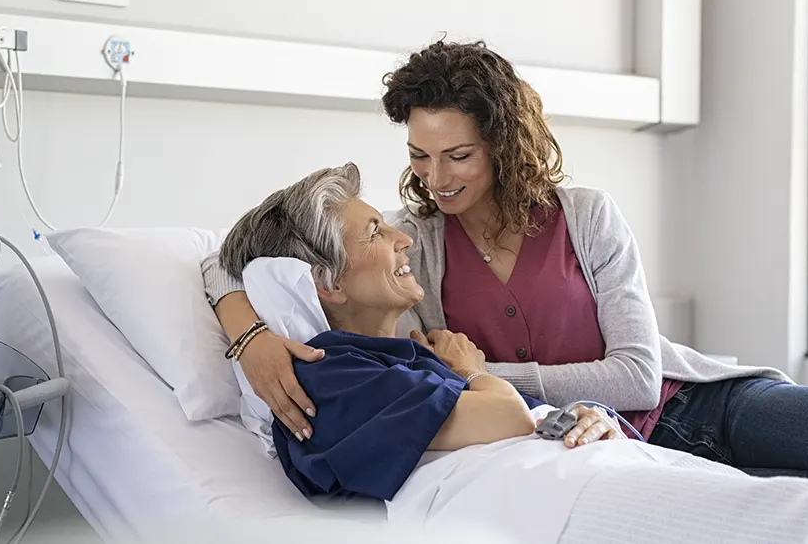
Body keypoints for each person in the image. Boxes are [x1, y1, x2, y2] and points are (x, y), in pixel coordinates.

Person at [203, 39, 808, 482]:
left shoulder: (585, 215)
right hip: (596, 448)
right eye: (420, 155)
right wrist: (249, 335)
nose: (437, 179)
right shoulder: (412, 242)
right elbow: (222, 260)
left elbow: (640, 376)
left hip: (696, 407)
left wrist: (486, 371)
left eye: (459, 155)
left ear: (502, 144)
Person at [218, 163, 628, 500]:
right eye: (376, 231)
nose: (404, 237)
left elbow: (536, 419)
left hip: (607, 469)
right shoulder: (328, 377)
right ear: (328, 284)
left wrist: (584, 418)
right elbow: (508, 416)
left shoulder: (411, 357)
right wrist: (473, 370)